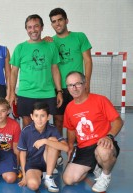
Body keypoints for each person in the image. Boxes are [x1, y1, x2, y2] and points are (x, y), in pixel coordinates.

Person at [62, 71, 123, 192]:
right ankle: (94, 166)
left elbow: (118, 121)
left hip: (103, 142)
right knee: (68, 180)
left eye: (78, 84)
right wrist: (70, 146)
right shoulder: (69, 107)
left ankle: (105, 175)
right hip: (84, 148)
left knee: (103, 151)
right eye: (70, 85)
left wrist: (109, 137)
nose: (74, 88)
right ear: (67, 88)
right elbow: (71, 129)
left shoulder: (100, 100)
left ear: (85, 84)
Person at [10, 14, 63, 128]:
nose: (33, 30)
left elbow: (55, 69)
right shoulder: (20, 48)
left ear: (42, 27)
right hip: (25, 93)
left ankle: (52, 145)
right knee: (27, 125)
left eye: (36, 26)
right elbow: (13, 72)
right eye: (29, 27)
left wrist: (59, 91)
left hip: (47, 93)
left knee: (46, 126)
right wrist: (11, 93)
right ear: (26, 29)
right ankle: (29, 146)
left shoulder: (51, 46)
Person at [49, 7, 93, 139]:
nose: (57, 23)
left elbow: (88, 61)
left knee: (79, 119)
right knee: (58, 120)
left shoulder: (80, 37)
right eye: (54, 21)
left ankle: (81, 148)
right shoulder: (50, 42)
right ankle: (57, 153)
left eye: (60, 20)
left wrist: (87, 83)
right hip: (59, 88)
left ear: (66, 20)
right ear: (51, 24)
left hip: (77, 87)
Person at [17, 102, 69, 192]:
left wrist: (45, 141)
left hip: (47, 161)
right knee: (33, 185)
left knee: (52, 140)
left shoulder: (52, 129)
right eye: (36, 116)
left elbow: (66, 148)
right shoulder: (26, 131)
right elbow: (22, 153)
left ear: (48, 117)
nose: (39, 119)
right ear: (32, 116)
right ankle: (41, 174)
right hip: (33, 164)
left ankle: (48, 177)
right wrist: (25, 176)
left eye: (43, 116)